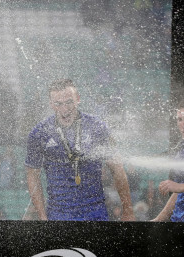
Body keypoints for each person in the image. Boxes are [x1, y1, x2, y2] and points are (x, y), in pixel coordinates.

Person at [25, 79, 134, 221]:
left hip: (95, 213)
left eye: (69, 102)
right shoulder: (39, 132)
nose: (65, 109)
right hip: (58, 214)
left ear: (78, 99)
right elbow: (32, 174)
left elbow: (117, 169)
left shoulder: (97, 127)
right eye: (58, 104)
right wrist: (42, 216)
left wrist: (128, 211)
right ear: (51, 104)